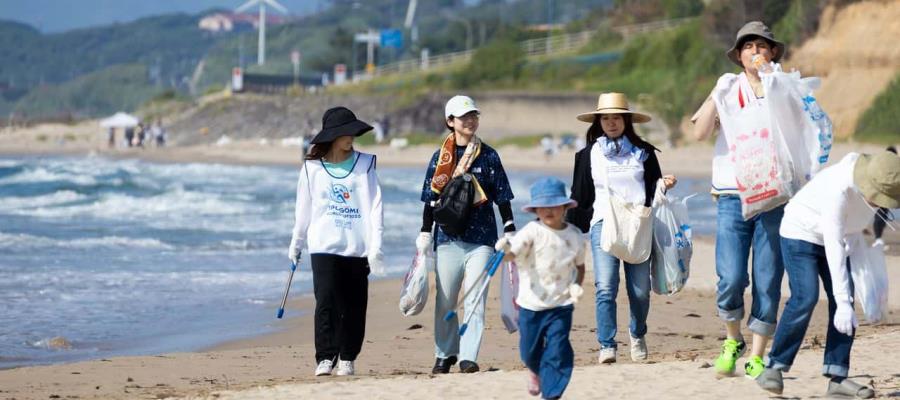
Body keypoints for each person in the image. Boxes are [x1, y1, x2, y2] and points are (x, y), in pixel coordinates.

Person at [755, 151, 900, 398]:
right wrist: (842, 301)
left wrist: (858, 292)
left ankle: (837, 377)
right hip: (801, 233)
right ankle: (773, 367)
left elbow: (853, 233)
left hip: (839, 238)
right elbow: (833, 244)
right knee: (806, 296)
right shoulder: (839, 190)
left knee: (847, 306)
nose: (881, 202)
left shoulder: (875, 187)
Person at [691, 21, 788, 379]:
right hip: (731, 193)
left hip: (773, 194)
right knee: (730, 277)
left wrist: (781, 87)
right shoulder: (728, 87)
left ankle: (759, 354)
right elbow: (700, 132)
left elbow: (803, 132)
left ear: (773, 52)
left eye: (762, 46)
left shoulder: (785, 87)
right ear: (739, 55)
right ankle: (733, 340)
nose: (755, 52)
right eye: (748, 47)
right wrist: (715, 94)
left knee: (767, 277)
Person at [568, 92, 677, 364]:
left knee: (639, 291)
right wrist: (564, 227)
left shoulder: (644, 152)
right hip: (603, 224)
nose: (611, 122)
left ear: (626, 121)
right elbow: (579, 196)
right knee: (605, 286)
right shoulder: (587, 155)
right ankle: (607, 345)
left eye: (616, 117)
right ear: (598, 122)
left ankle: (637, 333)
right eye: (606, 118)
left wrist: (664, 184)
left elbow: (653, 190)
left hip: (638, 225)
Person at [416, 95, 516, 374]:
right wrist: (425, 233)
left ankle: (468, 356)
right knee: (445, 299)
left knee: (475, 296)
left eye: (474, 115)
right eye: (464, 117)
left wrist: (509, 227)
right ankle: (445, 353)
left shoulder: (489, 155)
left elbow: (502, 197)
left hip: (482, 240)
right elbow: (430, 199)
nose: (471, 121)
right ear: (451, 122)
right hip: (447, 239)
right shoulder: (440, 158)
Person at [287, 106, 385, 377]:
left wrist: (376, 246)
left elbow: (375, 206)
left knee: (354, 304)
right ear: (332, 136)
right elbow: (303, 210)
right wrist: (297, 243)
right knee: (326, 300)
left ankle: (347, 356)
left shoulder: (365, 165)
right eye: (345, 132)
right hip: (323, 245)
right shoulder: (311, 169)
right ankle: (325, 357)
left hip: (357, 246)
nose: (351, 137)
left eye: (353, 132)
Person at [495, 177, 585, 399]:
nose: (549, 211)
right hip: (531, 304)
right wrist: (503, 249)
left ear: (565, 207)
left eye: (554, 205)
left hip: (561, 305)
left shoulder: (574, 235)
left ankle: (552, 394)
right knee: (528, 352)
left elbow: (580, 267)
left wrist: (576, 287)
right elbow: (511, 256)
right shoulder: (531, 231)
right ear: (535, 209)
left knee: (557, 350)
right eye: (543, 206)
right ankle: (535, 371)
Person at [872, 145, 897, 249]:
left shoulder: (880, 162)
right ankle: (878, 238)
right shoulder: (889, 163)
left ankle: (878, 238)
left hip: (883, 193)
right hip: (883, 193)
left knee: (882, 214)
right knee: (881, 214)